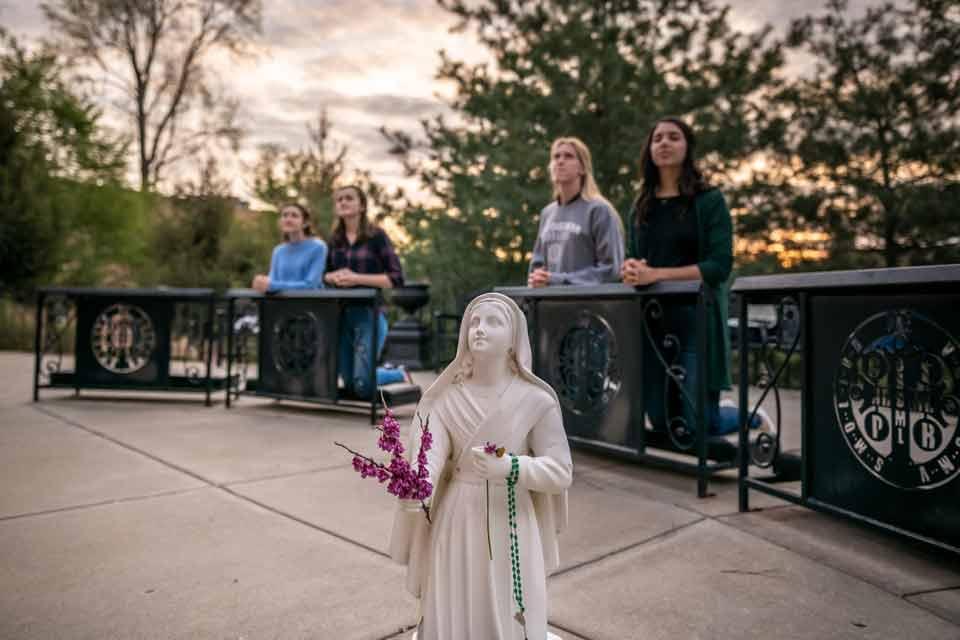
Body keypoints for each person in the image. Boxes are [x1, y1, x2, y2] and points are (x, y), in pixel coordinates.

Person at [390, 292, 571, 640]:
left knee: (506, 597)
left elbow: (561, 471)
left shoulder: (537, 401)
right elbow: (429, 456)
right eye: (473, 321)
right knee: (455, 592)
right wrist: (420, 487)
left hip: (511, 515)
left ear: (513, 339)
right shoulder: (445, 399)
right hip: (457, 515)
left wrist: (512, 467)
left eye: (493, 321)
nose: (480, 329)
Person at [620, 117, 769, 438]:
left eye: (673, 137)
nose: (664, 143)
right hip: (652, 323)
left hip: (695, 320)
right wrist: (630, 270)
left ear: (687, 148)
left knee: (698, 424)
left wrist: (655, 274)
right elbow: (633, 256)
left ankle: (752, 417)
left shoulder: (709, 200)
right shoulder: (641, 206)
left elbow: (719, 266)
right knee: (661, 421)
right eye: (657, 137)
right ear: (649, 149)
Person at [324, 184, 406, 398]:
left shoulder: (376, 236)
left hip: (369, 314)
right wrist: (331, 277)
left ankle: (397, 373)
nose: (343, 202)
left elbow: (395, 278)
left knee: (363, 386)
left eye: (349, 198)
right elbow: (323, 275)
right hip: (340, 315)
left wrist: (356, 278)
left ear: (362, 205)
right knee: (350, 384)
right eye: (339, 199)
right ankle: (382, 372)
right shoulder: (334, 240)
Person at [528, 136, 625, 287]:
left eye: (568, 156)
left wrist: (559, 280)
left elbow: (612, 270)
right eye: (556, 157)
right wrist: (537, 279)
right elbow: (537, 267)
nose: (560, 161)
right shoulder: (547, 213)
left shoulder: (599, 210)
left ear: (582, 167)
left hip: (590, 306)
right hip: (549, 306)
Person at [251, 202, 328, 293]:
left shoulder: (318, 247)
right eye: (285, 215)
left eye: (294, 216)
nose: (288, 219)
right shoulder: (278, 251)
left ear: (305, 223)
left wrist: (271, 285)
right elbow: (272, 280)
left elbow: (311, 285)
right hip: (281, 304)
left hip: (309, 304)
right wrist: (262, 283)